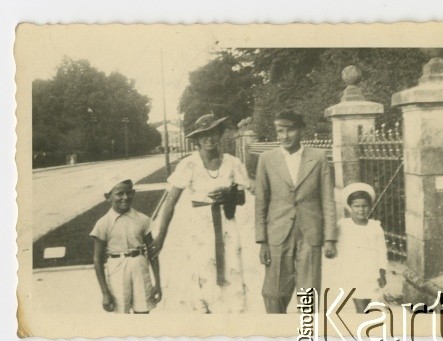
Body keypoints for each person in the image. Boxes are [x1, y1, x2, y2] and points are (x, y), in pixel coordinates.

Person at [150, 114, 251, 313]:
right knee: (202, 273)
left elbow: (242, 198)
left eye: (213, 133)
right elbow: (170, 203)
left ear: (220, 134)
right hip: (200, 231)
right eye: (204, 135)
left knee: (231, 271)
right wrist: (161, 236)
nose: (209, 138)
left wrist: (228, 194)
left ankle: (232, 319)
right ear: (196, 139)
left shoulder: (232, 163)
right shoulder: (189, 164)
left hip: (227, 227)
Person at [255, 109, 338, 314]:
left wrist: (329, 238)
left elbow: (328, 199)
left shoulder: (318, 158)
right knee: (274, 293)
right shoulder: (267, 159)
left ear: (301, 130)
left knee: (309, 293)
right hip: (278, 233)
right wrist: (262, 240)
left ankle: (305, 336)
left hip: (310, 233)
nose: (284, 136)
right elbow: (261, 203)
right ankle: (278, 335)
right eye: (280, 131)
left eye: (289, 130)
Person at [90, 178, 162, 314]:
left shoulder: (142, 219)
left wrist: (157, 282)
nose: (125, 197)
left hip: (140, 267)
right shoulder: (103, 223)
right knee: (121, 313)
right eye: (119, 194)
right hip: (117, 269)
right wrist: (105, 293)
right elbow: (97, 260)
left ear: (134, 193)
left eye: (129, 193)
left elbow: (153, 253)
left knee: (143, 311)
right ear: (108, 197)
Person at [335, 182, 388, 313]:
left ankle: (362, 326)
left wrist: (382, 272)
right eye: (357, 206)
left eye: (364, 206)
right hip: (352, 272)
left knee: (367, 302)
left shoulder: (375, 227)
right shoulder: (343, 225)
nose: (361, 209)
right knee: (360, 305)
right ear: (350, 207)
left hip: (370, 272)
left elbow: (382, 251)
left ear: (370, 207)